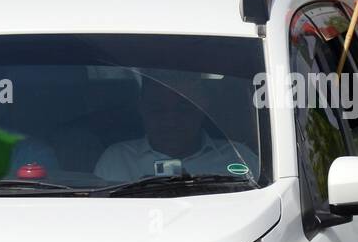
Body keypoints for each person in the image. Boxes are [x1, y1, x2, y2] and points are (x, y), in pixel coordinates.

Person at [94, 73, 257, 181]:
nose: (171, 120)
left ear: (202, 108)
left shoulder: (240, 158)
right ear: (142, 109)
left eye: (183, 109)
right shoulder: (116, 161)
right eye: (158, 109)